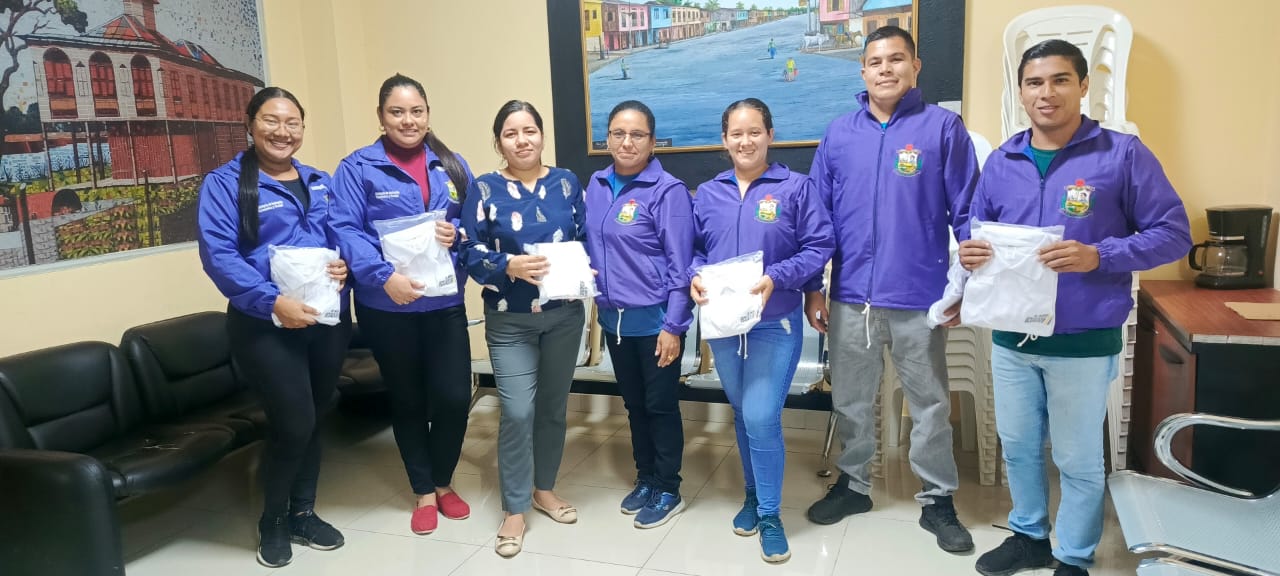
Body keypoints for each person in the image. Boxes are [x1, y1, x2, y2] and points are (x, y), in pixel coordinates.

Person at [962, 39, 1190, 576]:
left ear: (1083, 86)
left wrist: (1100, 255)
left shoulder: (1122, 154)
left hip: (1084, 339)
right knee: (1018, 447)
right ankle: (1029, 536)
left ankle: (1073, 555)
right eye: (1034, 82)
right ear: (1021, 92)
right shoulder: (1002, 161)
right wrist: (971, 252)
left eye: (1060, 79)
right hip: (1012, 336)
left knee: (1077, 457)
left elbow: (1174, 233)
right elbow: (977, 227)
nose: (1047, 93)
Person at [805, 25, 979, 553]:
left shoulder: (942, 128)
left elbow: (969, 214)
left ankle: (938, 498)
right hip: (850, 295)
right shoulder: (839, 134)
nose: (886, 69)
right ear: (862, 70)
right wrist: (814, 287)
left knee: (929, 404)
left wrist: (968, 288)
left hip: (919, 298)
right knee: (852, 401)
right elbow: (816, 220)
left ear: (915, 66)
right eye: (876, 61)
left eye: (896, 59)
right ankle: (854, 485)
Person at [197, 87, 349, 568]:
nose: (283, 131)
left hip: (324, 321)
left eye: (292, 122)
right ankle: (274, 519)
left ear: (302, 128)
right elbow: (219, 256)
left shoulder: (320, 181)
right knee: (294, 421)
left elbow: (342, 238)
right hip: (264, 324)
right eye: (271, 120)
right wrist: (272, 302)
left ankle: (303, 512)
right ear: (250, 123)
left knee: (316, 415)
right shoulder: (225, 185)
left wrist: (345, 264)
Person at [329, 74, 475, 537]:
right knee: (408, 399)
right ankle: (424, 490)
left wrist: (460, 235)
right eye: (397, 112)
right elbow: (345, 229)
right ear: (381, 117)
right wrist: (382, 277)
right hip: (387, 307)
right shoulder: (357, 168)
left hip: (443, 302)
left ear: (428, 114)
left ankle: (443, 479)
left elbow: (475, 225)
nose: (408, 120)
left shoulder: (452, 164)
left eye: (416, 111)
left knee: (454, 397)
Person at [690, 98, 834, 563]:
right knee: (742, 411)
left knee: (760, 416)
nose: (745, 141)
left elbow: (819, 245)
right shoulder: (707, 193)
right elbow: (692, 248)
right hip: (723, 325)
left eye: (754, 132)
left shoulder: (796, 187)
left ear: (770, 135)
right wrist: (694, 274)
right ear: (724, 140)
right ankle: (753, 497)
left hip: (775, 321)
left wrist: (778, 276)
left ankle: (771, 514)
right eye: (736, 133)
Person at [459, 100, 586, 558]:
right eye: (511, 133)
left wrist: (585, 271)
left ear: (542, 135)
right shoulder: (484, 188)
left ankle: (543, 489)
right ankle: (514, 507)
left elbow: (585, 239)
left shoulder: (567, 182)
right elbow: (468, 250)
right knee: (516, 412)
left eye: (529, 130)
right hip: (509, 320)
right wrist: (506, 265)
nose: (522, 140)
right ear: (499, 142)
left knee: (552, 409)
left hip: (564, 316)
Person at [584, 100, 694, 529]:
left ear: (652, 142)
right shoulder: (596, 185)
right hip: (614, 322)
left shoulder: (668, 191)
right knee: (634, 406)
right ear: (607, 139)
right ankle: (646, 478)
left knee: (660, 406)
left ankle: (668, 487)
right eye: (618, 133)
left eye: (637, 135)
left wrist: (674, 326)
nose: (626, 142)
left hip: (656, 323)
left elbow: (682, 265)